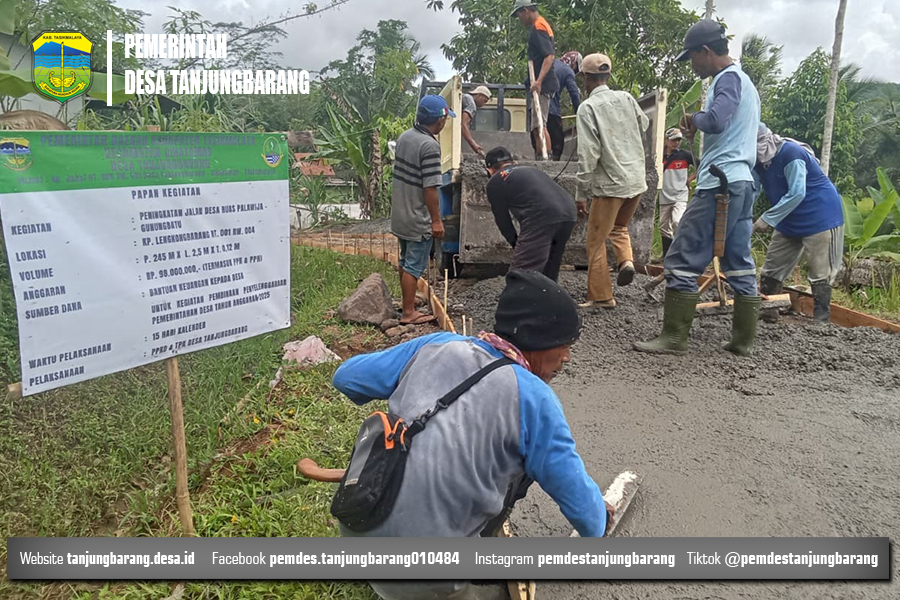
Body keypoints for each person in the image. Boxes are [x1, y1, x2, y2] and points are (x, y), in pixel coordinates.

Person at [333, 270, 612, 600]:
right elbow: (582, 507)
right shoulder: (536, 400)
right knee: (527, 469)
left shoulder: (437, 344)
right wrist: (599, 521)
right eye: (564, 345)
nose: (566, 358)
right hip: (423, 579)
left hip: (359, 528)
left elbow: (346, 378)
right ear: (539, 340)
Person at [635, 20, 761, 356]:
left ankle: (674, 338)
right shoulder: (746, 83)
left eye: (692, 57)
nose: (691, 64)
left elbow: (716, 120)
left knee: (681, 255)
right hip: (742, 183)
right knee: (739, 259)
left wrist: (695, 120)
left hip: (720, 183)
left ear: (705, 52)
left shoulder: (727, 79)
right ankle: (742, 341)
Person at [574, 53, 649, 310]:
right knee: (618, 227)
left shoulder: (588, 108)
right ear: (608, 75)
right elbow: (645, 124)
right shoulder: (627, 98)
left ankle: (602, 297)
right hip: (636, 181)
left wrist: (581, 193)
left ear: (586, 78)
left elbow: (588, 154)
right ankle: (626, 261)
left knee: (595, 241)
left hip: (610, 186)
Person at [753, 124, 845, 322]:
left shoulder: (790, 153)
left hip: (820, 216)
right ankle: (769, 310)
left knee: (820, 270)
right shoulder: (758, 161)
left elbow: (797, 192)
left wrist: (766, 219)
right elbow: (753, 187)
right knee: (773, 265)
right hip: (788, 218)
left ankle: (821, 320)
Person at [391, 95, 453, 325]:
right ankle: (408, 313)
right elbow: (430, 189)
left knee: (406, 261)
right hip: (418, 216)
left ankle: (408, 302)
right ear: (439, 120)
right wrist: (436, 221)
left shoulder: (406, 137)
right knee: (414, 266)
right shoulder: (429, 146)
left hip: (401, 213)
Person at [484, 146, 578, 282]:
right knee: (549, 271)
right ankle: (547, 301)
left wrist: (516, 244)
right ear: (513, 162)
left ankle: (518, 302)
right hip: (568, 212)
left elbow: (503, 221)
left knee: (522, 273)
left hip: (542, 215)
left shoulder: (495, 181)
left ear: (489, 170)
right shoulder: (531, 170)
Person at [512, 0, 557, 159]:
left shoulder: (539, 27)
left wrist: (538, 81)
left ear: (525, 10)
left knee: (539, 124)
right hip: (541, 83)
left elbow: (549, 56)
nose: (519, 19)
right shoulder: (540, 25)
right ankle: (541, 156)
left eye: (519, 15)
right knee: (536, 126)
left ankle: (546, 158)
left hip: (543, 85)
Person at [659, 127, 697, 258]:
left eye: (679, 140)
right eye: (674, 140)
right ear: (666, 141)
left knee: (677, 221)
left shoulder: (685, 155)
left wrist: (690, 178)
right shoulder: (659, 155)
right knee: (664, 226)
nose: (676, 143)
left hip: (680, 194)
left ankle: (683, 252)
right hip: (664, 194)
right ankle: (666, 256)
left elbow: (701, 165)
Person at [548, 55, 581, 160]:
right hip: (551, 108)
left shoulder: (551, 62)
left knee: (538, 132)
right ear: (574, 63)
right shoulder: (567, 70)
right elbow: (574, 93)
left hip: (535, 105)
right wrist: (579, 113)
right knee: (557, 140)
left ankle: (540, 156)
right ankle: (554, 159)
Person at [461, 85, 492, 156]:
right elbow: (464, 124)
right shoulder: (471, 105)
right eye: (484, 101)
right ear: (479, 95)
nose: (483, 104)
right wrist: (473, 145)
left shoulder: (465, 97)